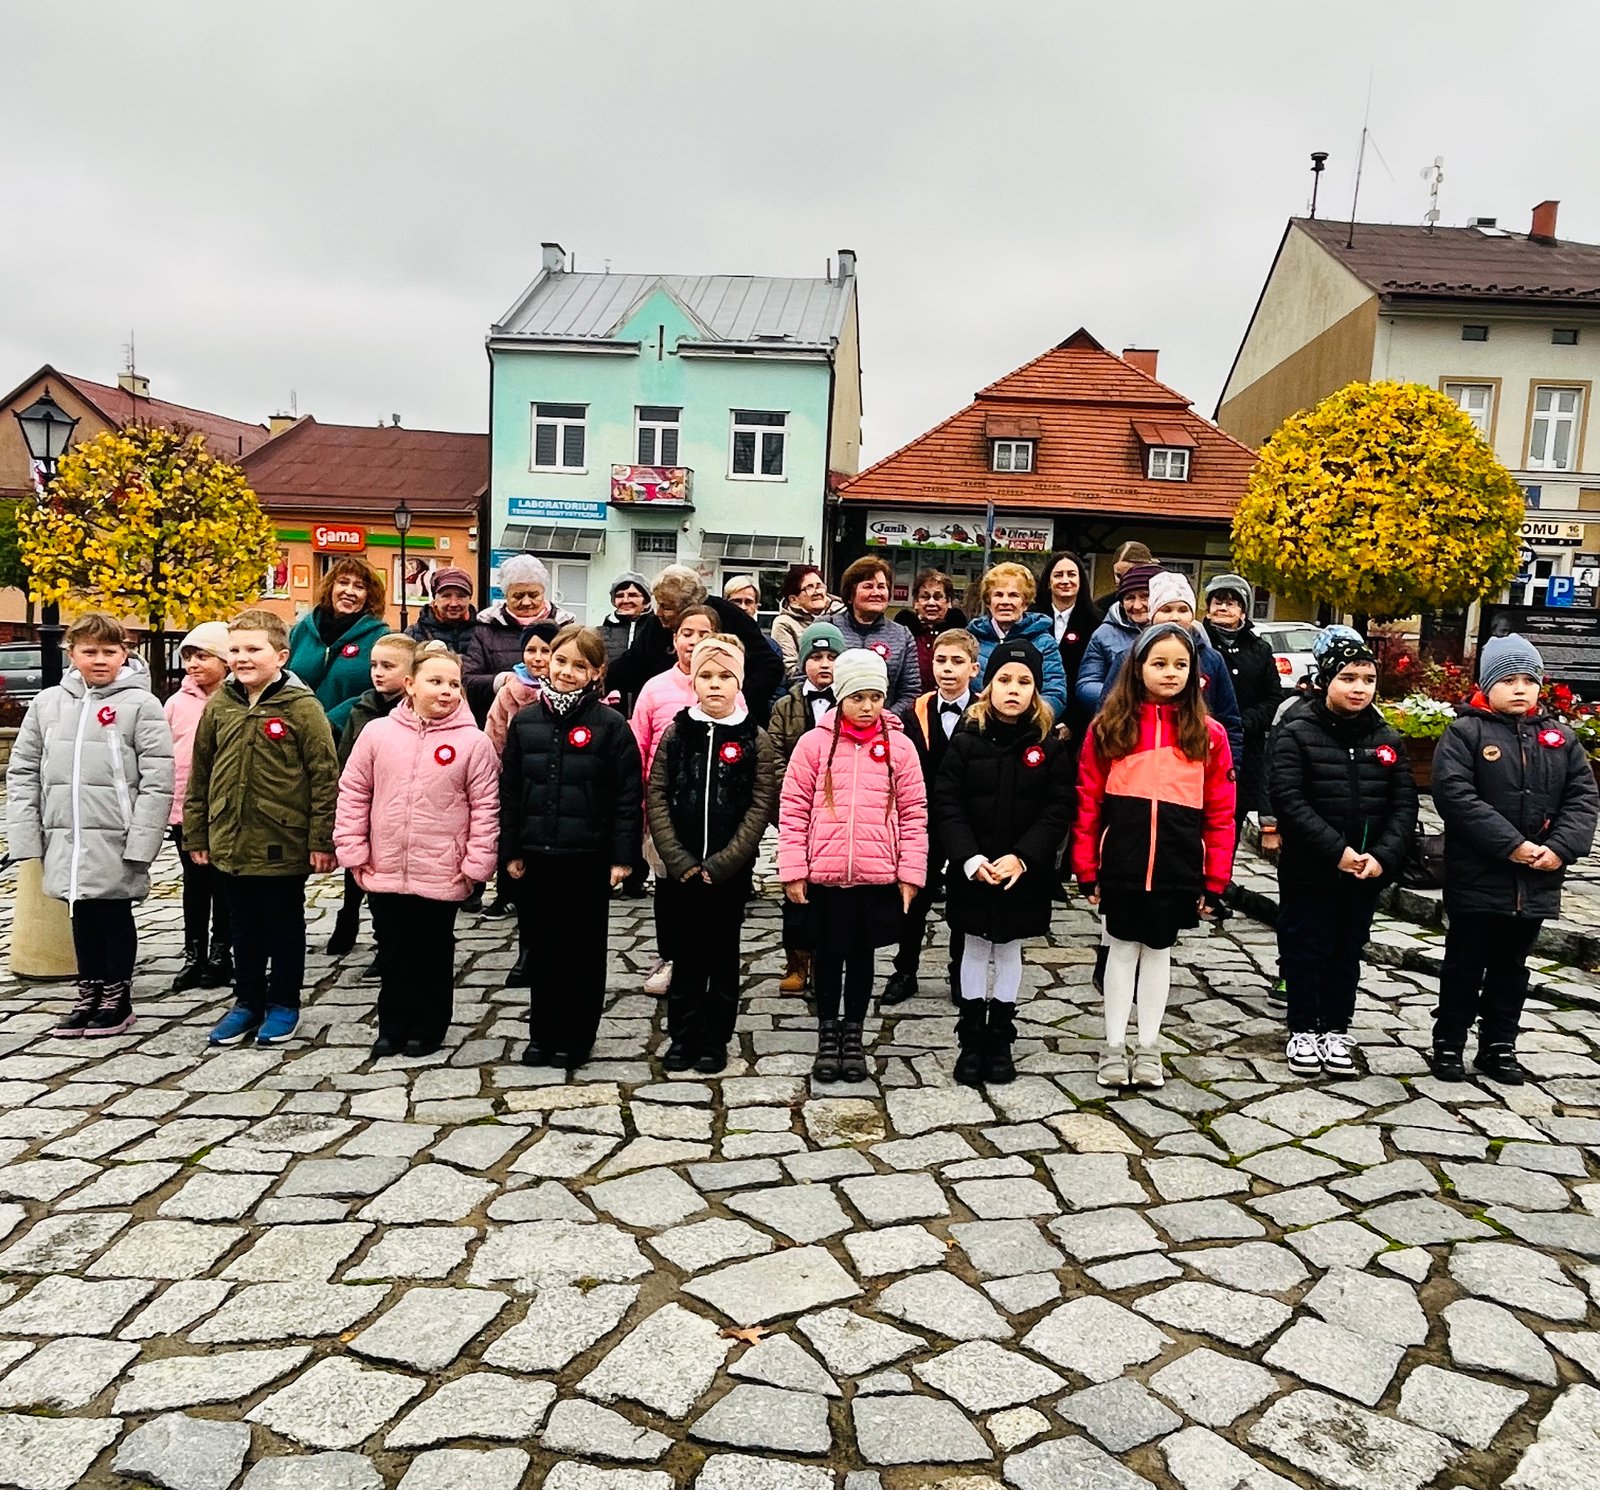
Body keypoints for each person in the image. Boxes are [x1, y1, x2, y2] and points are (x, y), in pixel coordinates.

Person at [1430, 635, 1598, 1085]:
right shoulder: (1465, 733)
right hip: (1479, 876)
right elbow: (1457, 796)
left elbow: (1582, 798)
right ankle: (1449, 1042)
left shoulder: (1561, 739)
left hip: (1536, 881)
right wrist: (1512, 845)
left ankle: (1498, 1045)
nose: (1520, 688)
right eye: (1509, 679)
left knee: (1511, 968)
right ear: (1488, 684)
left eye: (1529, 679)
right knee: (1464, 963)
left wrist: (1559, 849)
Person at [1074, 623, 1236, 1090]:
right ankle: (1113, 1045)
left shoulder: (1209, 734)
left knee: (1159, 952)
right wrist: (1087, 866)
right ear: (1138, 667)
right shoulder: (1110, 727)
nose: (1170, 673)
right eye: (1159, 663)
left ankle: (1148, 1046)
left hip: (1177, 864)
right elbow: (1087, 801)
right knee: (1121, 950)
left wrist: (1214, 878)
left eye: (1180, 665)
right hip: (1121, 863)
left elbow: (1222, 811)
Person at [6, 612, 173, 1038]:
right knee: (80, 912)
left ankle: (118, 996)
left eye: (109, 651)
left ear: (124, 654)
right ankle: (89, 990)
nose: (99, 660)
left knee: (112, 912)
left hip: (115, 832)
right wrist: (28, 835)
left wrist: (143, 839)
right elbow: (24, 770)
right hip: (66, 831)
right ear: (72, 653)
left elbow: (157, 777)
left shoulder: (140, 704)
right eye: (89, 651)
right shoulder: (48, 704)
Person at [335, 641, 500, 1059]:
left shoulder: (473, 743)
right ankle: (392, 1024)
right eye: (435, 681)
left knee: (431, 952)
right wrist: (353, 849)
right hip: (385, 864)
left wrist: (476, 862)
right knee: (392, 949)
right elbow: (355, 790)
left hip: (441, 869)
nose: (446, 690)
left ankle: (428, 1026)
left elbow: (486, 806)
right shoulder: (378, 734)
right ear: (410, 685)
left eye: (454, 684)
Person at [185, 609, 340, 1048]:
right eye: (235, 650)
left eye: (254, 649)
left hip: (282, 840)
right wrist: (197, 832)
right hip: (229, 838)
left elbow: (324, 775)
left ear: (281, 655)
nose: (242, 658)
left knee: (283, 926)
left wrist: (321, 839)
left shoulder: (302, 707)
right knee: (241, 926)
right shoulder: (220, 704)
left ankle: (284, 1003)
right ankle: (246, 1001)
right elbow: (201, 771)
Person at [1270, 633, 1417, 1079]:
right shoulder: (1296, 733)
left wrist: (1383, 856)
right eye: (1347, 678)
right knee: (1306, 946)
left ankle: (1336, 1026)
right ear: (1325, 679)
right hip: (1311, 869)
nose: (1359, 688)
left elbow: (1404, 804)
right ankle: (1303, 1027)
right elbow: (1290, 798)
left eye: (1368, 679)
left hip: (1364, 871)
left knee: (1347, 950)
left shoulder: (1387, 737)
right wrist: (1337, 851)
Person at [778, 648, 927, 1084]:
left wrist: (910, 872)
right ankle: (828, 1030)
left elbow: (915, 812)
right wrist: (793, 867)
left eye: (875, 698)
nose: (866, 707)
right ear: (840, 696)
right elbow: (793, 808)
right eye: (857, 697)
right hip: (825, 872)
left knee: (862, 957)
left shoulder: (899, 746)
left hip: (875, 871)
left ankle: (853, 1033)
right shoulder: (813, 744)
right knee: (827, 953)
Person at [501, 625, 642, 1069]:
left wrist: (623, 856)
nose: (566, 671)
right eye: (560, 661)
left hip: (587, 857)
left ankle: (578, 1035)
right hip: (539, 854)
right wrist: (512, 850)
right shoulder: (525, 722)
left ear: (596, 672)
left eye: (578, 665)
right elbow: (510, 792)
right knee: (542, 949)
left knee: (581, 951)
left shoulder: (612, 726)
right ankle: (543, 1033)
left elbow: (625, 794)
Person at [935, 638, 1075, 1086]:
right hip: (974, 867)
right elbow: (947, 801)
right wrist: (969, 857)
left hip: (1020, 873)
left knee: (1010, 949)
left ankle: (1000, 1036)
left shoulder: (1047, 745)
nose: (1013, 689)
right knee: (975, 947)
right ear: (987, 684)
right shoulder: (966, 740)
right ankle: (972, 1035)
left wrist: (1024, 857)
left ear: (1036, 690)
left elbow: (1057, 808)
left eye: (1024, 682)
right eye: (1004, 680)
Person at [647, 634, 779, 1074]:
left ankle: (714, 1037)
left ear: (739, 681)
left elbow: (760, 803)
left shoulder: (753, 738)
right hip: (681, 869)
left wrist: (726, 861)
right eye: (706, 676)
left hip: (728, 872)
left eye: (725, 676)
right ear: (693, 681)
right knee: (685, 957)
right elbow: (658, 794)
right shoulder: (676, 734)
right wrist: (678, 858)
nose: (715, 684)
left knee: (722, 957)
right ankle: (682, 1036)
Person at [630, 604, 726, 995]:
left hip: (713, 810)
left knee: (708, 888)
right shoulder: (656, 689)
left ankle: (707, 958)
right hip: (665, 809)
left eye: (704, 633)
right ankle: (670, 957)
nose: (694, 641)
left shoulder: (729, 689)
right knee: (669, 887)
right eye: (687, 633)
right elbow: (638, 746)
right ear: (675, 639)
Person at [884, 628, 980, 1007]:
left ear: (974, 668)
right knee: (913, 897)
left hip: (966, 822)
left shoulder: (984, 714)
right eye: (941, 660)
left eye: (957, 661)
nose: (948, 669)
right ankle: (905, 969)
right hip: (921, 819)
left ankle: (960, 971)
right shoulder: (914, 712)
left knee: (962, 896)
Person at [328, 633, 417, 963]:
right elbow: (346, 759)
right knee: (358, 868)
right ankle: (349, 916)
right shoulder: (361, 708)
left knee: (391, 882)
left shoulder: (416, 710)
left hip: (399, 811)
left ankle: (388, 944)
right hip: (366, 805)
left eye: (388, 666)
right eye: (374, 665)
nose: (378, 672)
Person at [767, 621, 845, 994]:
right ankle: (797, 959)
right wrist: (798, 794)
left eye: (832, 657)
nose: (824, 664)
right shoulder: (786, 706)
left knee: (831, 896)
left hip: (840, 815)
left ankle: (829, 957)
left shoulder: (851, 705)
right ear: (803, 662)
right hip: (800, 811)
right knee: (796, 894)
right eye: (816, 656)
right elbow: (775, 756)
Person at [607, 565, 782, 726]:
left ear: (690, 607)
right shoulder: (656, 625)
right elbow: (631, 665)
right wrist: (599, 681)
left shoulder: (731, 617)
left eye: (666, 607)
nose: (658, 612)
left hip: (731, 723)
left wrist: (733, 700)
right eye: (657, 604)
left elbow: (770, 667)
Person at [164, 621, 234, 992]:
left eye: (203, 655)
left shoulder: (234, 701)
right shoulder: (176, 703)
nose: (193, 663)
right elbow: (164, 754)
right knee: (194, 883)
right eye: (188, 656)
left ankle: (222, 950)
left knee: (224, 882)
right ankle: (195, 952)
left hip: (224, 807)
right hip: (185, 808)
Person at [1202, 573, 1284, 827]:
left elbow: (1273, 697)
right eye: (1218, 601)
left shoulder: (1259, 648)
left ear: (1243, 610)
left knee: (1231, 820)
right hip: (1203, 741)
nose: (1223, 607)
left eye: (1231, 602)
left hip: (1245, 749)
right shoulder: (1197, 643)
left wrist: (1243, 723)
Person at [463, 555, 576, 722]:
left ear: (544, 593)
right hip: (500, 720)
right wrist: (502, 680)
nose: (526, 602)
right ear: (505, 595)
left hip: (556, 721)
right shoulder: (486, 629)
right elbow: (468, 680)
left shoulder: (565, 627)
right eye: (518, 596)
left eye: (533, 594)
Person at [286, 557, 392, 733]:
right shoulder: (301, 630)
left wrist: (330, 722)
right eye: (343, 583)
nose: (349, 591)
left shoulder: (380, 638)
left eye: (359, 587)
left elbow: (378, 692)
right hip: (294, 731)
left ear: (369, 596)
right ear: (331, 587)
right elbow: (283, 677)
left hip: (346, 736)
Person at [966, 562, 1069, 721]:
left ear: (1025, 603)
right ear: (988, 602)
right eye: (998, 595)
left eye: (1014, 595)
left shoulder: (1044, 642)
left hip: (1027, 729)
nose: (1005, 601)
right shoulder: (971, 639)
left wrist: (1028, 716)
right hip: (977, 726)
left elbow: (1055, 693)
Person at [832, 556, 920, 714]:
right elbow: (804, 680)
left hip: (884, 729)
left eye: (882, 587)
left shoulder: (902, 635)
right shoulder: (827, 627)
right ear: (850, 595)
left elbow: (910, 692)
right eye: (868, 586)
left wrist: (882, 721)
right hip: (832, 726)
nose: (876, 593)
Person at [1076, 561, 1158, 716]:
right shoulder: (1104, 634)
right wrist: (1122, 695)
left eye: (1145, 596)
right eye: (1129, 598)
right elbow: (1086, 685)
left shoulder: (1184, 632)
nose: (1137, 605)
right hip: (1119, 719)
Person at [1031, 550, 1103, 726]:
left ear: (1081, 581)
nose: (1065, 581)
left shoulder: (1097, 622)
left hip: (1079, 718)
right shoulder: (1031, 619)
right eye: (1058, 575)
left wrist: (1071, 722)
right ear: (1048, 582)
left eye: (1071, 575)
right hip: (1032, 712)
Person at [486, 621, 558, 756]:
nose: (537, 658)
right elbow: (495, 739)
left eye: (545, 651)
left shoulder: (564, 692)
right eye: (530, 650)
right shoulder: (508, 692)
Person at [893, 569, 969, 693]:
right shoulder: (903, 635)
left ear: (948, 602)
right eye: (925, 597)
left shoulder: (962, 635)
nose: (931, 603)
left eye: (938, 597)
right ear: (916, 602)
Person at [771, 564, 845, 675]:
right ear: (793, 600)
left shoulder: (842, 613)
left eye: (820, 586)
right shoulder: (784, 623)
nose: (818, 592)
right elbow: (789, 668)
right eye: (809, 587)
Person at [407, 566, 478, 652]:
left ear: (470, 598)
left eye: (461, 596)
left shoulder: (484, 633)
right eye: (446, 596)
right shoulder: (415, 633)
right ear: (435, 599)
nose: (453, 604)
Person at [599, 571, 655, 680]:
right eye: (620, 596)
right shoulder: (601, 633)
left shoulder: (658, 631)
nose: (626, 600)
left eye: (632, 595)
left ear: (646, 600)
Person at [1092, 539, 1155, 613]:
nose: (1122, 581)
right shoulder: (1102, 607)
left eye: (1129, 574)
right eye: (1118, 575)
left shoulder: (1164, 601)